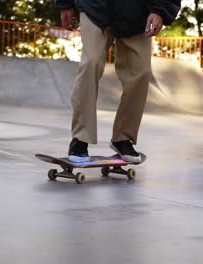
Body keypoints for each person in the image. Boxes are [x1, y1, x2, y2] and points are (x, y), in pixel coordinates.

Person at [55, 0, 181, 163]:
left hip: (137, 13)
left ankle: (123, 138)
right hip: (95, 7)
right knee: (90, 64)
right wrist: (65, 4)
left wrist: (160, 11)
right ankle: (80, 138)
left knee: (140, 73)